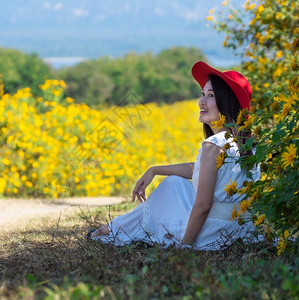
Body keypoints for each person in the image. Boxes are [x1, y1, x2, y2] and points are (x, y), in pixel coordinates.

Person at [87, 61, 260, 250]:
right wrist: (155, 170)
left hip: (210, 232)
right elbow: (203, 171)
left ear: (227, 104)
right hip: (237, 229)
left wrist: (185, 245)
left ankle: (112, 229)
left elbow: (203, 206)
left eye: (211, 95)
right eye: (202, 94)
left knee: (170, 186)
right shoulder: (246, 145)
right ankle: (112, 228)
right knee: (175, 183)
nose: (201, 101)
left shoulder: (214, 146)